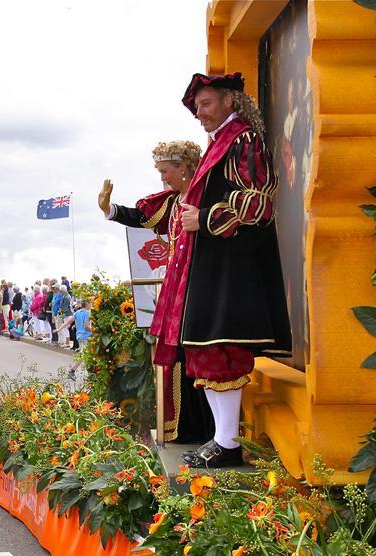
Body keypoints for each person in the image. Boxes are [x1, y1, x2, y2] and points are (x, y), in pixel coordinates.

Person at [154, 72, 292, 467]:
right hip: (213, 263)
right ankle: (222, 438)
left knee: (222, 350)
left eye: (206, 104)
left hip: (232, 266)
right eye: (197, 108)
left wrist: (209, 218)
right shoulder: (222, 143)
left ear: (230, 100)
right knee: (205, 352)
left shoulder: (244, 139)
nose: (199, 113)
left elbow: (260, 201)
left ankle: (228, 442)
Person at [100, 139, 215, 445]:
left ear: (185, 167)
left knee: (200, 360)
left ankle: (209, 432)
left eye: (166, 171)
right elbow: (142, 217)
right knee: (177, 358)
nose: (162, 178)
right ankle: (184, 429)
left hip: (202, 289)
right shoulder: (174, 201)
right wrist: (109, 209)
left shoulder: (205, 198)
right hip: (179, 291)